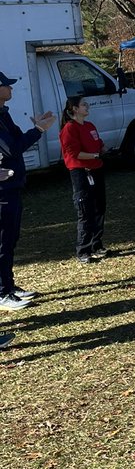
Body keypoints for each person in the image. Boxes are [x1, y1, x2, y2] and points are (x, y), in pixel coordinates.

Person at [0, 71, 55, 326]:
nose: (10, 89)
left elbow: (15, 142)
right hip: (2, 190)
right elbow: (11, 148)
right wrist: (38, 130)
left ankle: (8, 286)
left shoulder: (4, 113)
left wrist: (34, 130)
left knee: (10, 238)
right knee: (2, 240)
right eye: (6, 86)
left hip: (12, 186)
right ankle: (2, 293)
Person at [59, 96, 108, 264]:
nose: (87, 107)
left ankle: (97, 244)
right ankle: (83, 250)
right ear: (74, 109)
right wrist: (95, 155)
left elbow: (98, 142)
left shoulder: (89, 126)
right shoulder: (69, 128)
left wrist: (103, 148)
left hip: (96, 170)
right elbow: (73, 153)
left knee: (99, 207)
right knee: (85, 210)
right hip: (81, 172)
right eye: (83, 104)